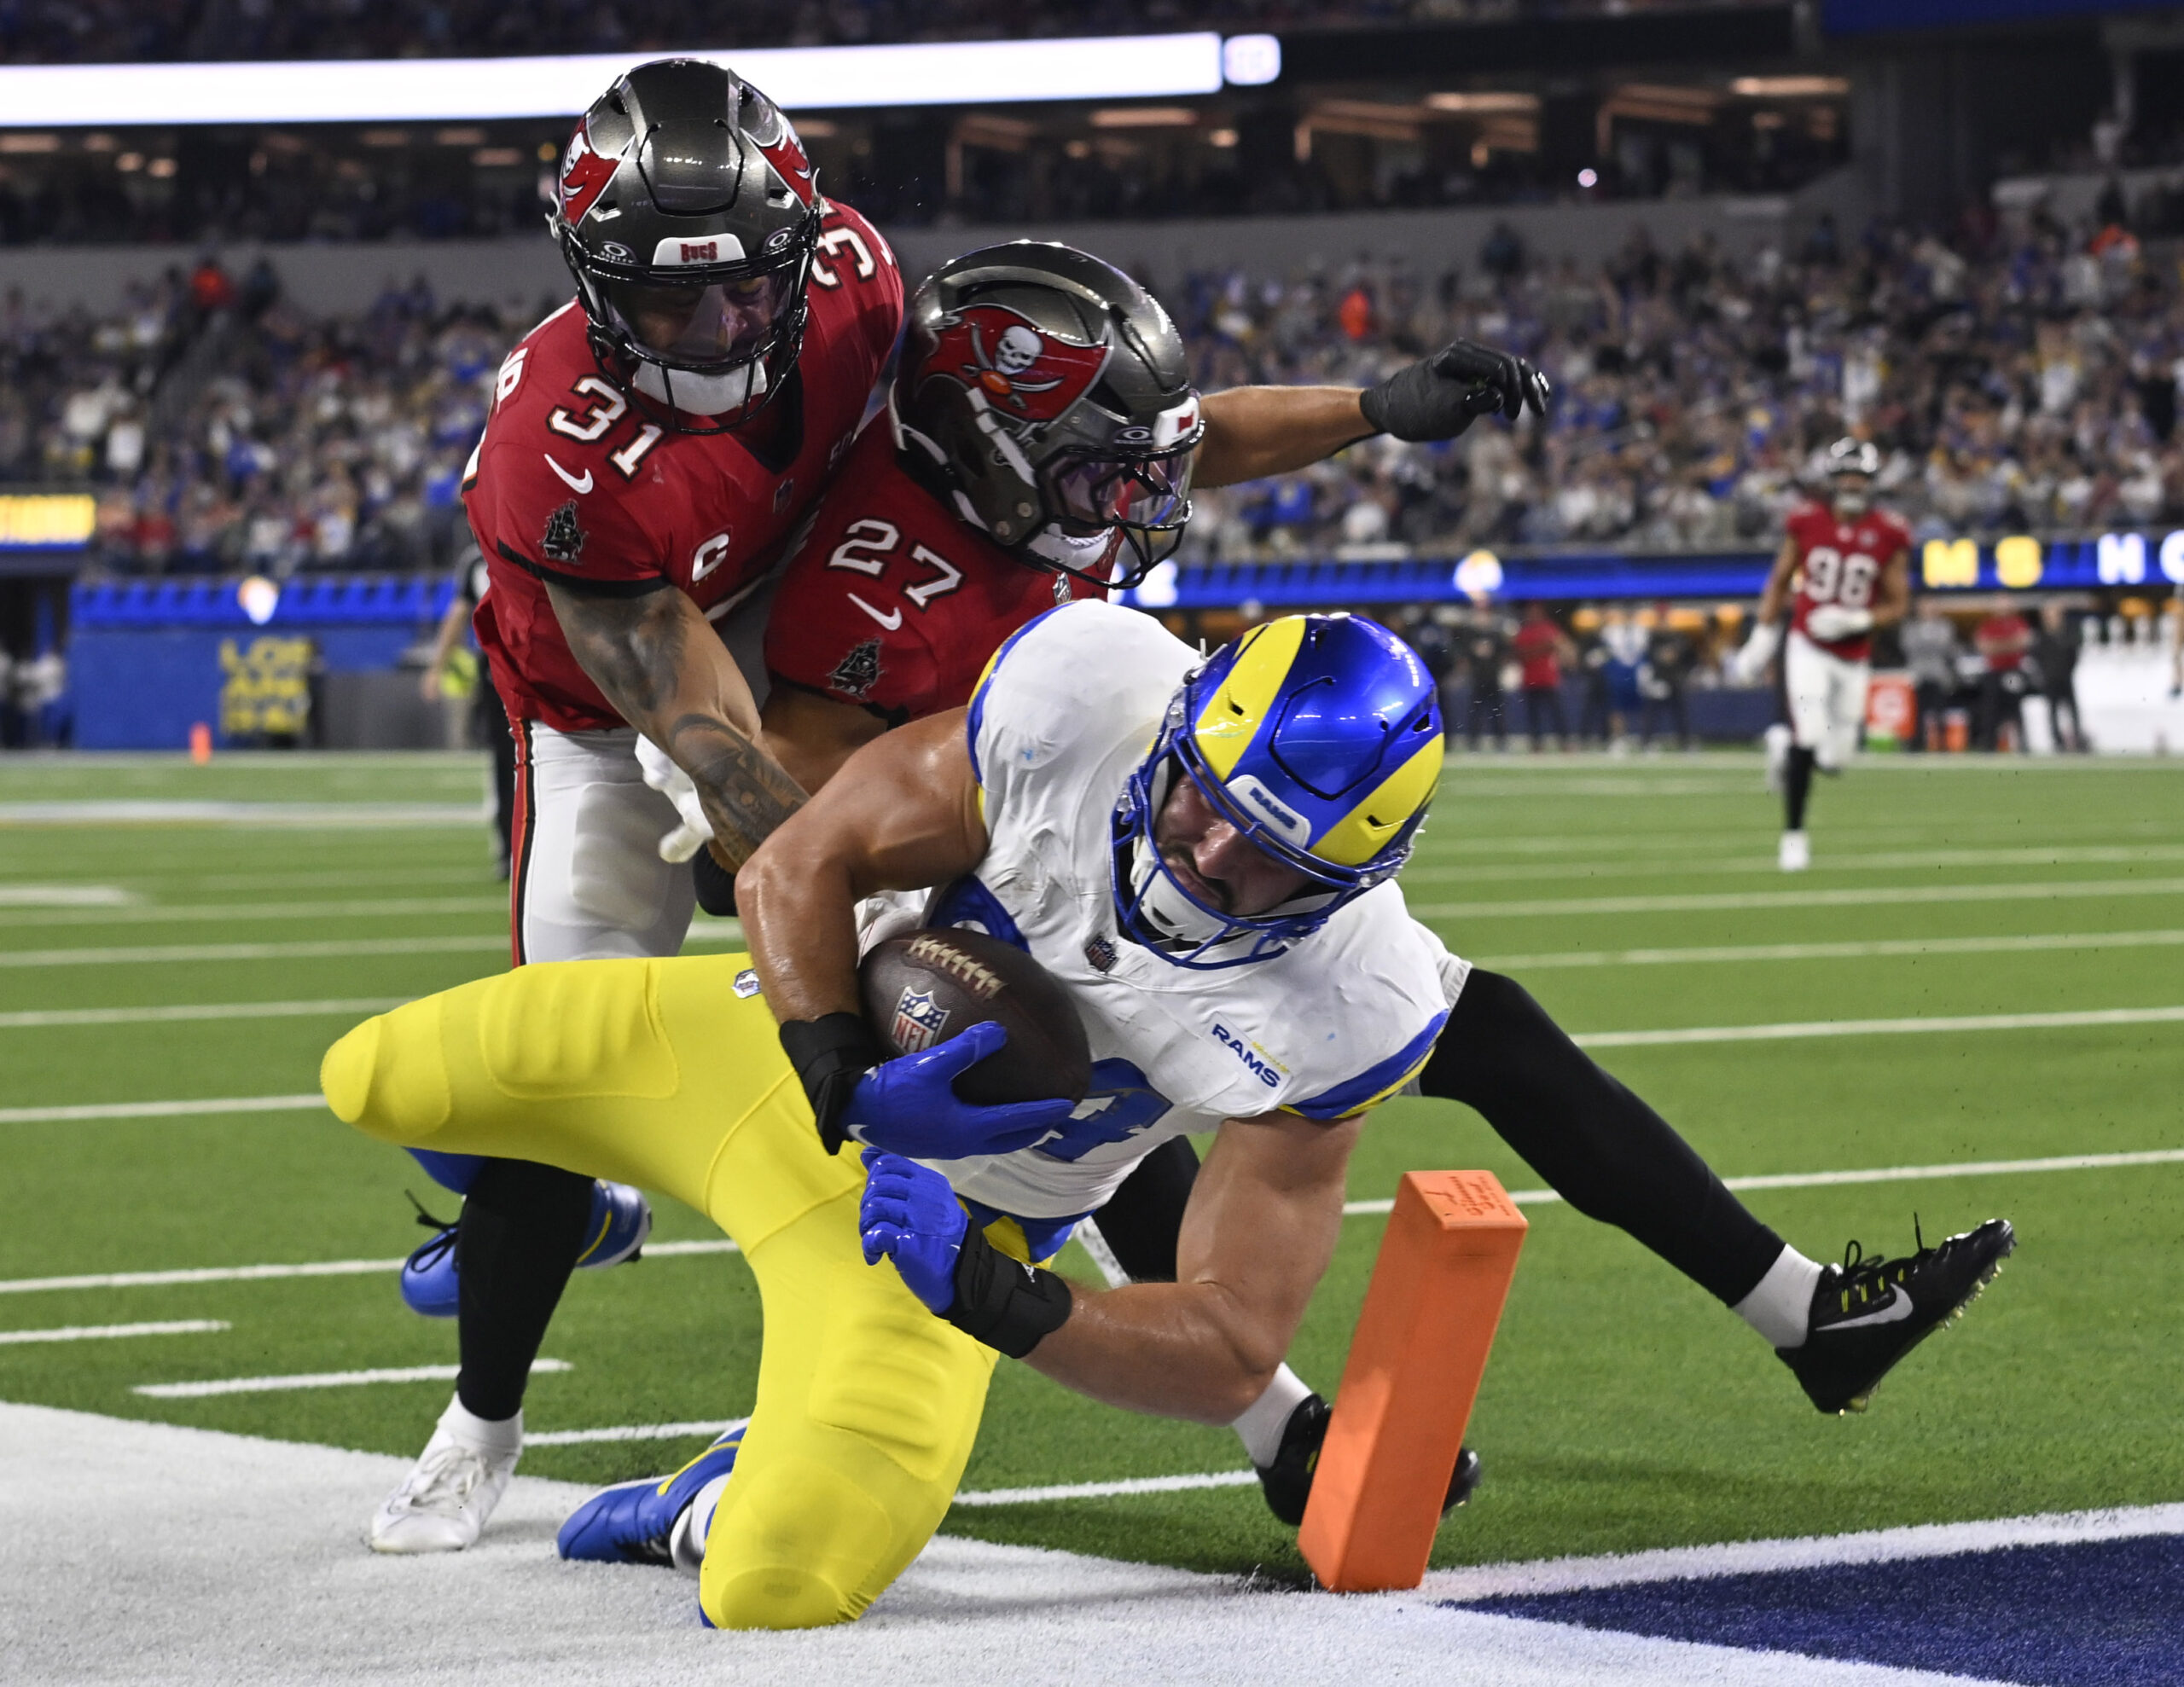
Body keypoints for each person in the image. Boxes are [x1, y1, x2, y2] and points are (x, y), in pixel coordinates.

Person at [378, 223, 1555, 1553]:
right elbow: (773, 813)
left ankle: (1275, 1424)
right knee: (567, 1078)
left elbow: (1184, 441)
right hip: (688, 733)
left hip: (941, 796)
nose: (1138, 498)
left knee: (1085, 1084)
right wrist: (837, 969)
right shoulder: (878, 575)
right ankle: (481, 1417)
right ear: (998, 459)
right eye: (1101, 473)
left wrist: (1373, 410)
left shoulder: (907, 351)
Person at [323, 605, 1462, 1629]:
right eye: (1202, 802)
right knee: (373, 1075)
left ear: (1349, 883)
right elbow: (803, 858)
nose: (1206, 858)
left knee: (775, 1586)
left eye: (1268, 860)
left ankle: (698, 1502)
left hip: (927, 1239)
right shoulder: (1085, 698)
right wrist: (838, 1060)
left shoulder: (1350, 1002)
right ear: (1175, 733)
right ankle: (560, 1212)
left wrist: (988, 1288)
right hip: (762, 1056)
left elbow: (1229, 1348)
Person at [1734, 438, 1911, 870]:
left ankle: (1784, 749)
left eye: (1860, 476)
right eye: (1846, 475)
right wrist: (1761, 635)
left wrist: (1858, 621)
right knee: (1809, 736)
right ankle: (1793, 836)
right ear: (1832, 480)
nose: (1852, 483)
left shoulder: (1889, 532)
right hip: (1807, 644)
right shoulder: (1807, 522)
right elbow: (1779, 581)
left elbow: (1899, 603)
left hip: (1853, 653)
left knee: (1835, 760)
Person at [420, 546, 515, 878]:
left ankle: (510, 851)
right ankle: (516, 849)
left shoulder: (477, 558)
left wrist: (436, 667)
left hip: (503, 672)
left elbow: (458, 614)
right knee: (521, 765)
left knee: (508, 767)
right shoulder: (508, 545)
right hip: (519, 670)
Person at [1900, 597, 1962, 753]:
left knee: (1940, 710)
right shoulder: (1911, 627)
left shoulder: (1944, 626)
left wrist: (1925, 643)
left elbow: (1946, 647)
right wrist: (1931, 643)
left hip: (1938, 674)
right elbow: (1908, 647)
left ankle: (1942, 743)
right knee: (1917, 712)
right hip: (1918, 674)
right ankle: (1916, 744)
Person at [1513, 600, 1573, 750]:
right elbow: (1519, 653)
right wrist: (1543, 647)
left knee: (1557, 713)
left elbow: (1563, 646)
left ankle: (1564, 742)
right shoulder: (1525, 631)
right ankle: (1536, 743)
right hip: (1531, 679)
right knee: (1534, 714)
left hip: (1548, 678)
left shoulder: (1549, 628)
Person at [1974, 601, 2033, 751]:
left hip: (2013, 671)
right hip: (1994, 672)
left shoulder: (2017, 623)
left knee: (2016, 706)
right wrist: (2010, 645)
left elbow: (2024, 642)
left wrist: (1997, 646)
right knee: (1990, 709)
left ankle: (2022, 743)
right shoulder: (1988, 625)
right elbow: (1984, 646)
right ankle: (1988, 744)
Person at [1638, 600, 1694, 750]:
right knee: (1652, 713)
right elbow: (1650, 657)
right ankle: (1646, 742)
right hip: (1658, 680)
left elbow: (1684, 654)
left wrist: (1672, 654)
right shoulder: (1652, 637)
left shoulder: (1676, 635)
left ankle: (1685, 743)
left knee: (1679, 713)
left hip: (1674, 679)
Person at [2030, 600, 2083, 752]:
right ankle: (2057, 741)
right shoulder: (2042, 636)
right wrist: (2045, 673)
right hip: (2050, 678)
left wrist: (2067, 670)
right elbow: (2037, 657)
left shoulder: (2066, 634)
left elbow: (2073, 655)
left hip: (2065, 677)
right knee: (2052, 711)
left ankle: (2077, 739)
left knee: (2072, 710)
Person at [1460, 601, 1513, 751]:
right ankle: (1473, 741)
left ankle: (1501, 741)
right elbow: (1465, 657)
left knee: (1497, 712)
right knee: (1476, 712)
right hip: (1478, 678)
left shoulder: (1495, 634)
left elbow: (1504, 654)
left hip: (1492, 677)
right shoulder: (1471, 634)